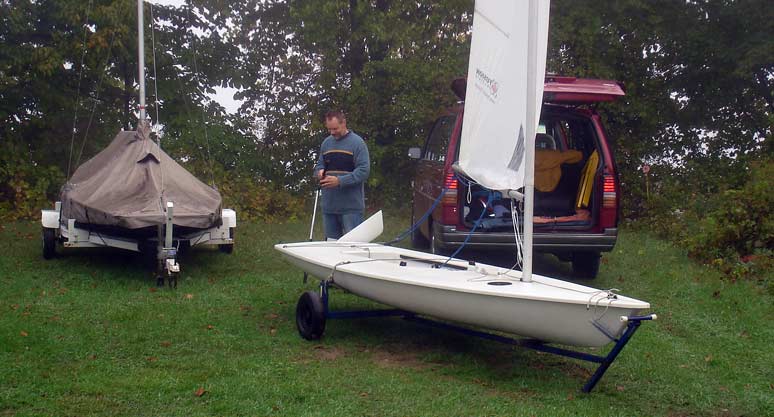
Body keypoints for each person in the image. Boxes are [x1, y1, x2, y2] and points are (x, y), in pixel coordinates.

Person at [314, 110, 370, 240]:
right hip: (329, 206)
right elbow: (319, 165)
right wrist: (319, 172)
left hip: (351, 207)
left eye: (335, 129)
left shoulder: (357, 143)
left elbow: (363, 171)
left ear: (343, 123)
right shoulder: (326, 143)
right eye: (329, 129)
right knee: (331, 246)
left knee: (354, 246)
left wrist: (339, 181)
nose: (332, 132)